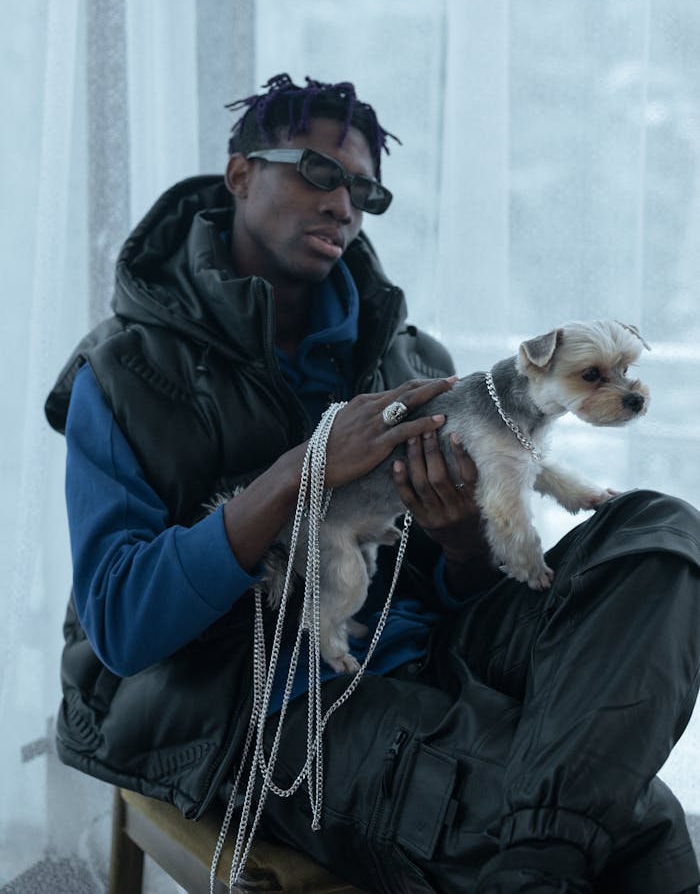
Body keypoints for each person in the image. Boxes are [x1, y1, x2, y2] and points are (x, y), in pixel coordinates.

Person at [45, 73, 700, 894]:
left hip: (421, 653)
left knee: (663, 531)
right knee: (643, 827)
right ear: (240, 173)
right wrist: (301, 472)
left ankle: (539, 863)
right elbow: (121, 626)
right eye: (319, 173)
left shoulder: (411, 362)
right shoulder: (124, 373)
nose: (343, 205)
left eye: (362, 190)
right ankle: (546, 855)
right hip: (256, 695)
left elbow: (450, 582)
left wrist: (461, 537)